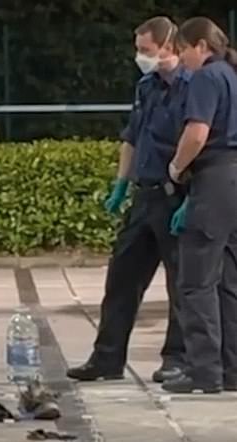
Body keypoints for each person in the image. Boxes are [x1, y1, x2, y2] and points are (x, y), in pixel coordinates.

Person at [67, 16, 189, 383]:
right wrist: (121, 184)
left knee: (180, 284)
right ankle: (107, 358)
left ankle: (176, 359)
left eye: (146, 51)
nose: (141, 57)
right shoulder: (145, 86)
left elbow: (198, 141)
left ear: (170, 46)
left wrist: (191, 196)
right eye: (139, 50)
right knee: (122, 279)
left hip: (175, 195)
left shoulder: (192, 87)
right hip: (144, 195)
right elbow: (132, 138)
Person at [162, 17, 237, 394]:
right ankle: (231, 368)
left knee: (196, 280)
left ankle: (203, 370)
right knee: (229, 280)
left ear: (201, 46)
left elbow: (198, 132)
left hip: (215, 178)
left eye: (183, 50)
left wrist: (176, 168)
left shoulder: (207, 77)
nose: (182, 59)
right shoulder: (233, 74)